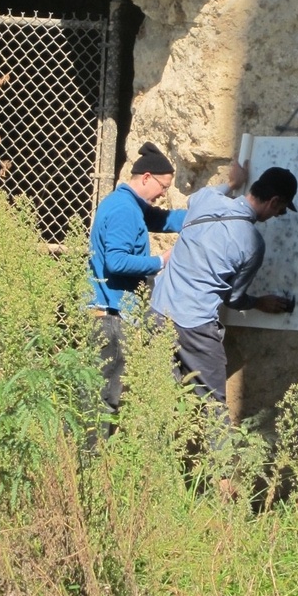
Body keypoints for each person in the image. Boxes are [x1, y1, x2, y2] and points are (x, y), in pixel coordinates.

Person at [150, 163, 298, 406]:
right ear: (273, 202)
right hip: (194, 326)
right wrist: (259, 303)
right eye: (280, 210)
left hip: (158, 312)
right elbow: (233, 297)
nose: (276, 215)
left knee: (160, 401)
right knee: (214, 412)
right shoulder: (252, 243)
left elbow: (197, 198)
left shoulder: (206, 199)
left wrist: (231, 183)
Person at [88, 141, 186, 415]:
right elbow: (116, 261)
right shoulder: (125, 211)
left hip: (114, 314)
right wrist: (160, 261)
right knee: (104, 397)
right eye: (163, 187)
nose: (163, 195)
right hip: (110, 316)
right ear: (146, 178)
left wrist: (208, 214)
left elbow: (165, 220)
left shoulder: (130, 205)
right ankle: (93, 455)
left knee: (106, 393)